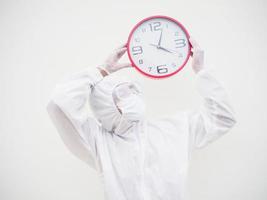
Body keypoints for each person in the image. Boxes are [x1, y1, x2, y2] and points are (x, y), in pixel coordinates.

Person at [46, 37, 236, 200]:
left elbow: (223, 118)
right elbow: (58, 105)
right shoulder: (99, 143)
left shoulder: (176, 129)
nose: (132, 97)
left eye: (133, 90)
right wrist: (100, 71)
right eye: (122, 93)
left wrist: (201, 71)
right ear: (104, 107)